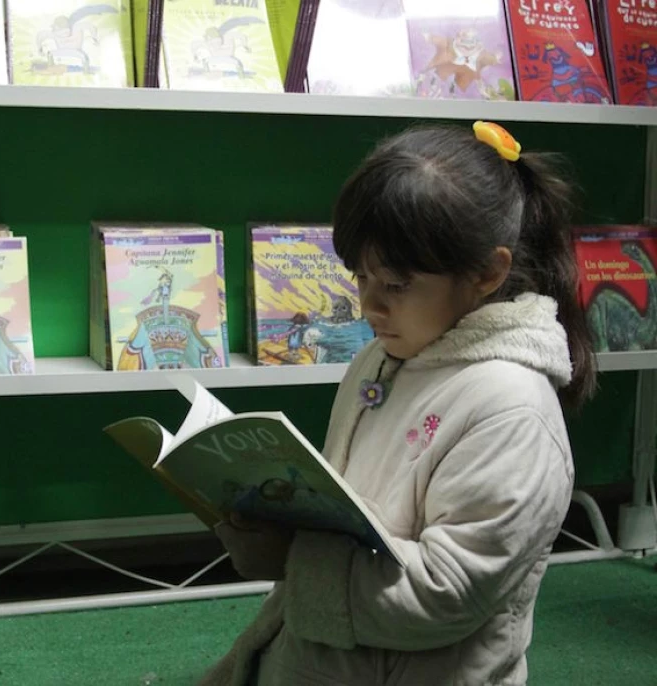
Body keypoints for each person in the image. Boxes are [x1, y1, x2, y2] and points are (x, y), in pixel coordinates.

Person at [200, 121, 595, 686]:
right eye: (361, 277)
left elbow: (448, 591)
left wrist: (295, 557)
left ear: (487, 273)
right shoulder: (383, 356)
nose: (369, 306)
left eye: (397, 284)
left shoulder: (514, 409)